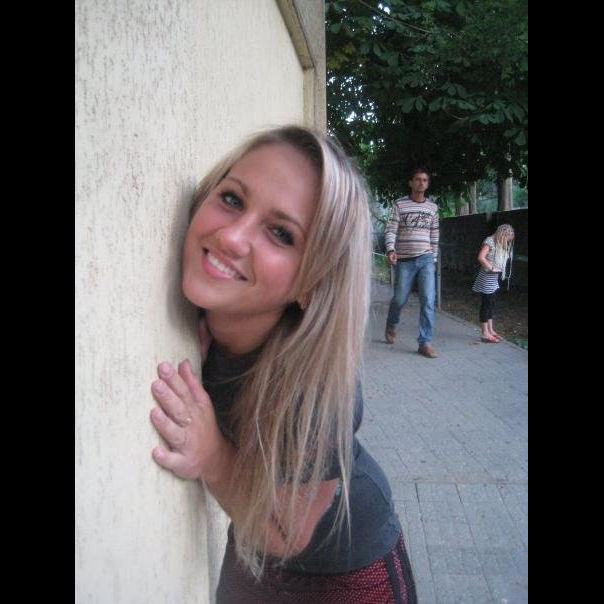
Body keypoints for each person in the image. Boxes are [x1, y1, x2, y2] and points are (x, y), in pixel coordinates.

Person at [148, 125, 417, 603]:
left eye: (281, 234)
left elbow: (284, 534)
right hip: (254, 536)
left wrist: (213, 455)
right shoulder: (214, 317)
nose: (231, 237)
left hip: (343, 572)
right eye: (232, 199)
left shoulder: (317, 390)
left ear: (311, 284)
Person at [384, 168, 439, 358]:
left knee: (428, 300)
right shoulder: (400, 205)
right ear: (411, 182)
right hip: (404, 260)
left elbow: (434, 234)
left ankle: (425, 342)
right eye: (417, 179)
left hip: (426, 259)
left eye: (425, 180)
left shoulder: (432, 208)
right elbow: (391, 229)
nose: (421, 183)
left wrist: (434, 258)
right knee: (399, 299)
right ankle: (391, 323)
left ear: (427, 184)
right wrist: (391, 249)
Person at [472, 223, 515, 343]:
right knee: (486, 305)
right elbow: (481, 257)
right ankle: (484, 333)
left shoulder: (498, 242)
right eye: (507, 238)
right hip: (487, 278)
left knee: (491, 304)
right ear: (503, 234)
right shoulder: (489, 241)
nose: (507, 241)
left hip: (494, 279)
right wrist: (491, 268)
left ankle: (490, 330)